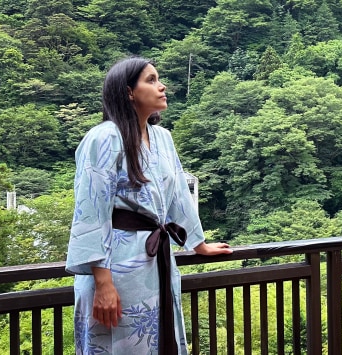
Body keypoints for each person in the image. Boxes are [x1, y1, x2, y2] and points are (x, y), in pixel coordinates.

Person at [66, 57, 233, 354]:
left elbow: (178, 196)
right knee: (120, 343)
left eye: (159, 79)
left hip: (155, 261)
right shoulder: (103, 137)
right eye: (151, 80)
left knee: (157, 338)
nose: (162, 85)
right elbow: (91, 210)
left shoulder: (163, 138)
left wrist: (197, 244)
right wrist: (102, 282)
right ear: (128, 91)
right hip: (116, 265)